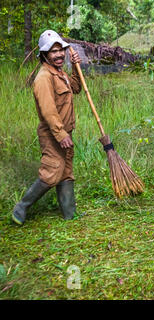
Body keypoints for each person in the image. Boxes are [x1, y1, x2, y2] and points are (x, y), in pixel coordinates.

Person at [12, 30, 82, 225]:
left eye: (61, 50)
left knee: (66, 172)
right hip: (53, 134)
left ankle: (70, 214)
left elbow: (76, 87)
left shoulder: (59, 73)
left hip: (65, 132)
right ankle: (21, 207)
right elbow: (48, 110)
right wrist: (60, 134)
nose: (59, 55)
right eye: (53, 51)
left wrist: (76, 67)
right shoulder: (43, 78)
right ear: (44, 55)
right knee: (52, 172)